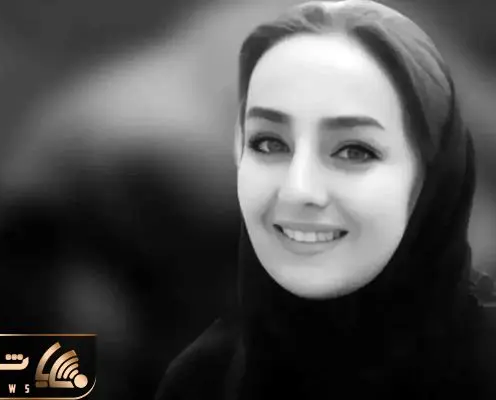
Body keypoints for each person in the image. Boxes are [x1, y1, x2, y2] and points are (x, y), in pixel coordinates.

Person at [155, 1, 496, 399]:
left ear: (434, 172)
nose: (298, 189)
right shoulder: (201, 380)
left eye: (354, 151)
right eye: (269, 143)